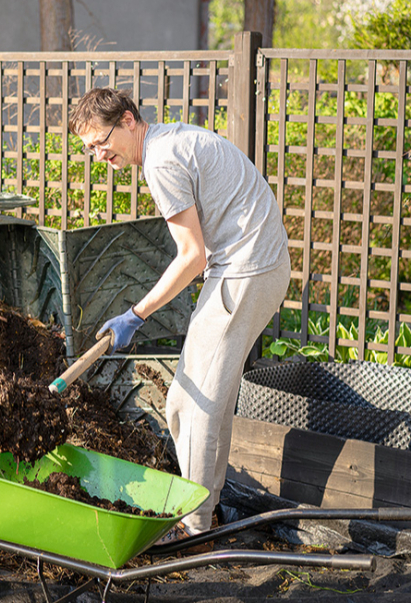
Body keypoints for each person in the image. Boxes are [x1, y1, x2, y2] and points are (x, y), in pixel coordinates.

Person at [68, 87, 290, 541]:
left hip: (245, 271)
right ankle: (209, 509)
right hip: (252, 266)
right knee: (204, 398)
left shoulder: (161, 161)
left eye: (101, 142)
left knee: (191, 404)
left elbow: (191, 256)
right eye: (90, 149)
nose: (99, 155)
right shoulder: (169, 140)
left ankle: (193, 526)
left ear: (128, 120)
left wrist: (136, 313)